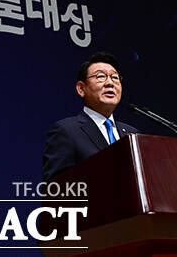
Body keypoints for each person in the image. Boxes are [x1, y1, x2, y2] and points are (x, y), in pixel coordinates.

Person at [42, 52, 139, 181]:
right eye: (101, 76)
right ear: (81, 89)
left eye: (115, 77)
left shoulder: (132, 134)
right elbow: (57, 187)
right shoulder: (66, 131)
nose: (110, 83)